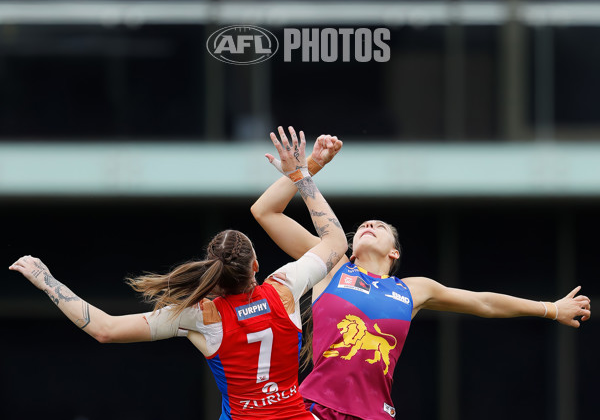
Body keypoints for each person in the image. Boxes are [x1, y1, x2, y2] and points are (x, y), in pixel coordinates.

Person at [9, 126, 347, 420]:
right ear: (255, 266)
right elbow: (334, 241)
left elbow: (104, 329)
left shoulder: (200, 316)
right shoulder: (284, 286)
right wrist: (305, 172)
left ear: (214, 273)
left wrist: (47, 281)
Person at [251, 133, 592, 420]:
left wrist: (551, 308)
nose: (368, 225)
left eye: (379, 227)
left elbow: (484, 302)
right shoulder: (333, 267)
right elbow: (265, 211)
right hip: (314, 409)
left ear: (394, 252)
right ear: (351, 247)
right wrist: (308, 168)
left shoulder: (413, 290)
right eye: (363, 226)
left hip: (374, 413)